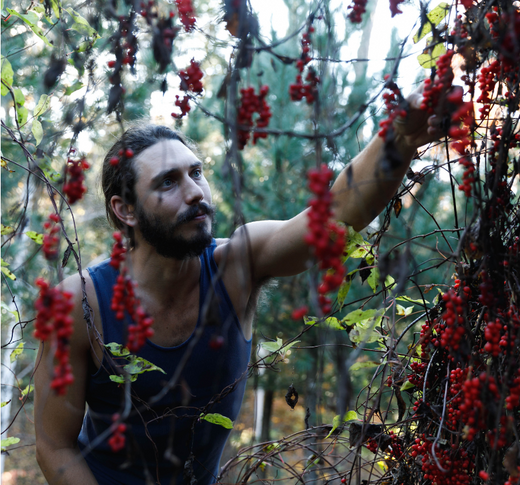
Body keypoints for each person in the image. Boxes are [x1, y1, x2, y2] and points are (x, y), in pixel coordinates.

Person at [34, 89, 439, 484]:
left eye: (196, 173)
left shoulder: (237, 265)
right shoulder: (80, 303)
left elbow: (330, 222)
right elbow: (54, 446)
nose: (195, 192)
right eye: (167, 183)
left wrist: (399, 138)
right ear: (125, 210)